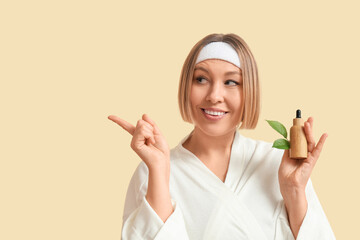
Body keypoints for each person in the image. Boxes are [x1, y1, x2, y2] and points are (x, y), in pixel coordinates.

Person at [108, 33, 336, 239]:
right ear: (185, 88)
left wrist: (294, 191)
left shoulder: (276, 164)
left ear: (250, 93)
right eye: (201, 79)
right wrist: (159, 172)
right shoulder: (152, 171)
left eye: (231, 82)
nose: (214, 96)